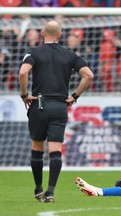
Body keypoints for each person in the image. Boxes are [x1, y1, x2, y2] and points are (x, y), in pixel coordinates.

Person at [18, 21, 94, 203]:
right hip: (60, 105)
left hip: (39, 104)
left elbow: (23, 73)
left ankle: (38, 190)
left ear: (43, 32)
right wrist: (74, 96)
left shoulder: (34, 52)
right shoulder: (70, 54)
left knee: (37, 147)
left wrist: (24, 94)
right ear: (60, 35)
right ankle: (50, 192)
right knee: (55, 149)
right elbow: (89, 75)